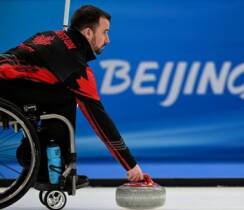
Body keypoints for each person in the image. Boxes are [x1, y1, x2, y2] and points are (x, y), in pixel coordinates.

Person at [0, 5, 144, 183]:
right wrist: (130, 165)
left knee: (59, 95)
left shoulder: (47, 35)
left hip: (7, 83)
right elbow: (100, 122)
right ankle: (52, 169)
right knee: (68, 97)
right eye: (105, 32)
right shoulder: (76, 67)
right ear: (88, 33)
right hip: (6, 91)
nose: (108, 40)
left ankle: (43, 160)